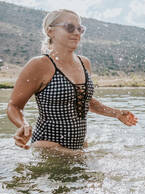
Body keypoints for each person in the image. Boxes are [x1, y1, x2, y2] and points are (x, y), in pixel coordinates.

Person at [7, 9, 138, 152]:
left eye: (80, 28)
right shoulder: (40, 64)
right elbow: (14, 106)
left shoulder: (84, 63)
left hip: (78, 147)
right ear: (51, 31)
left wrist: (117, 113)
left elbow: (85, 101)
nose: (76, 33)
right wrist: (23, 124)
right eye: (70, 27)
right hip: (48, 150)